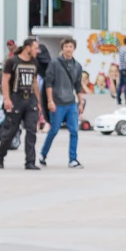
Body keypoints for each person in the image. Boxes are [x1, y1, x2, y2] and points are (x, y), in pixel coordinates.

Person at [0, 37, 45, 170]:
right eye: (35, 48)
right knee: (11, 131)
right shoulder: (12, 62)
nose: (37, 51)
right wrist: (7, 99)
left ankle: (30, 161)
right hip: (16, 98)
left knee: (31, 131)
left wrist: (38, 101)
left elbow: (35, 81)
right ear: (27, 48)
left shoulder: (34, 62)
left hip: (30, 99)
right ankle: (1, 155)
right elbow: (5, 81)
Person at [39, 36, 85, 169]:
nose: (68, 49)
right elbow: (49, 83)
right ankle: (43, 154)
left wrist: (80, 102)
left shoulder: (77, 66)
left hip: (71, 102)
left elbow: (78, 85)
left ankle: (73, 159)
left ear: (74, 48)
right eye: (66, 47)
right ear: (62, 48)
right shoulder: (55, 63)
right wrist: (50, 101)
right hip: (58, 102)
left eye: (71, 47)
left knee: (74, 131)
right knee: (54, 130)